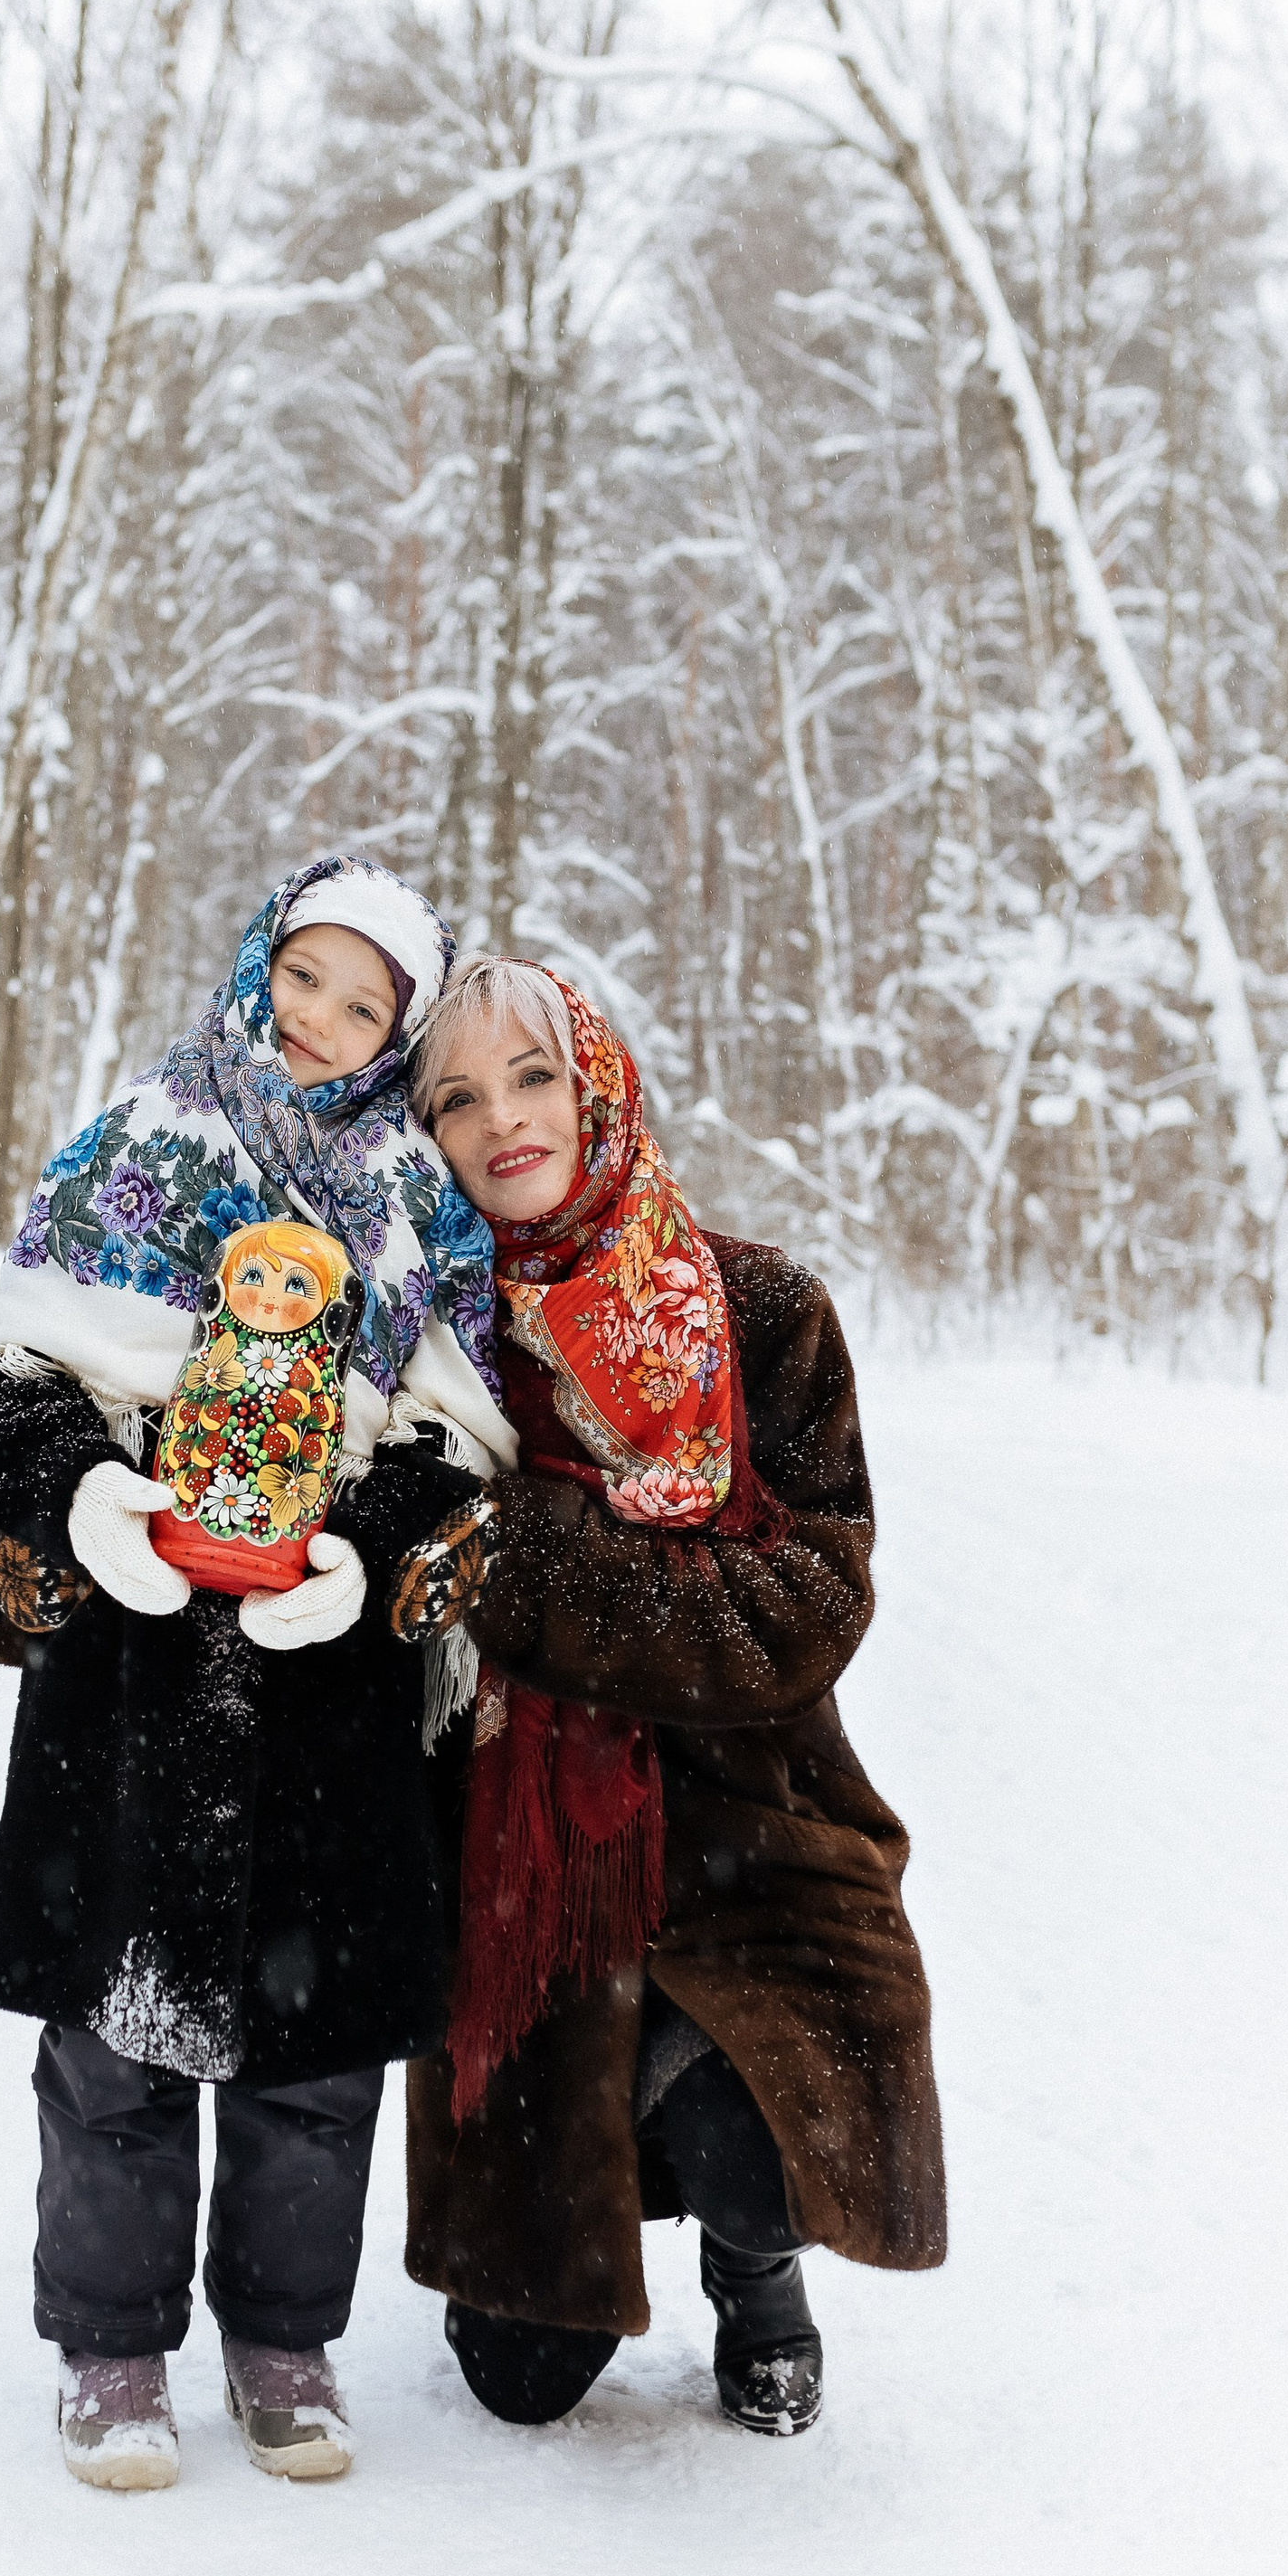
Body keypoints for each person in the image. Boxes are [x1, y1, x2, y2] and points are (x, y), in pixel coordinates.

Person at [0, 857, 514, 2491]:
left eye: (368, 1004)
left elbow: (458, 1436)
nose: (325, 1022)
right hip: (128, 1674)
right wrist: (87, 1499)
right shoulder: (143, 1141)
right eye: (309, 977)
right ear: (260, 961)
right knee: (109, 2045)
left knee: (314, 2056)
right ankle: (113, 2352)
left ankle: (284, 2338)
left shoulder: (417, 1202)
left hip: (323, 1689)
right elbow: (7, 1381)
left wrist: (368, 1547)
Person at [401, 953, 945, 2435]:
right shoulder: (421, 1340)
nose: (504, 1122)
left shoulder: (758, 1309)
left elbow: (811, 1603)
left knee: (763, 2123)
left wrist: (528, 1570)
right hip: (520, 1882)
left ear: (598, 1086)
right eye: (457, 1098)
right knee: (517, 2384)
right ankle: (611, 2128)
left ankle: (753, 2260)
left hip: (743, 1837)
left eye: (534, 1078)